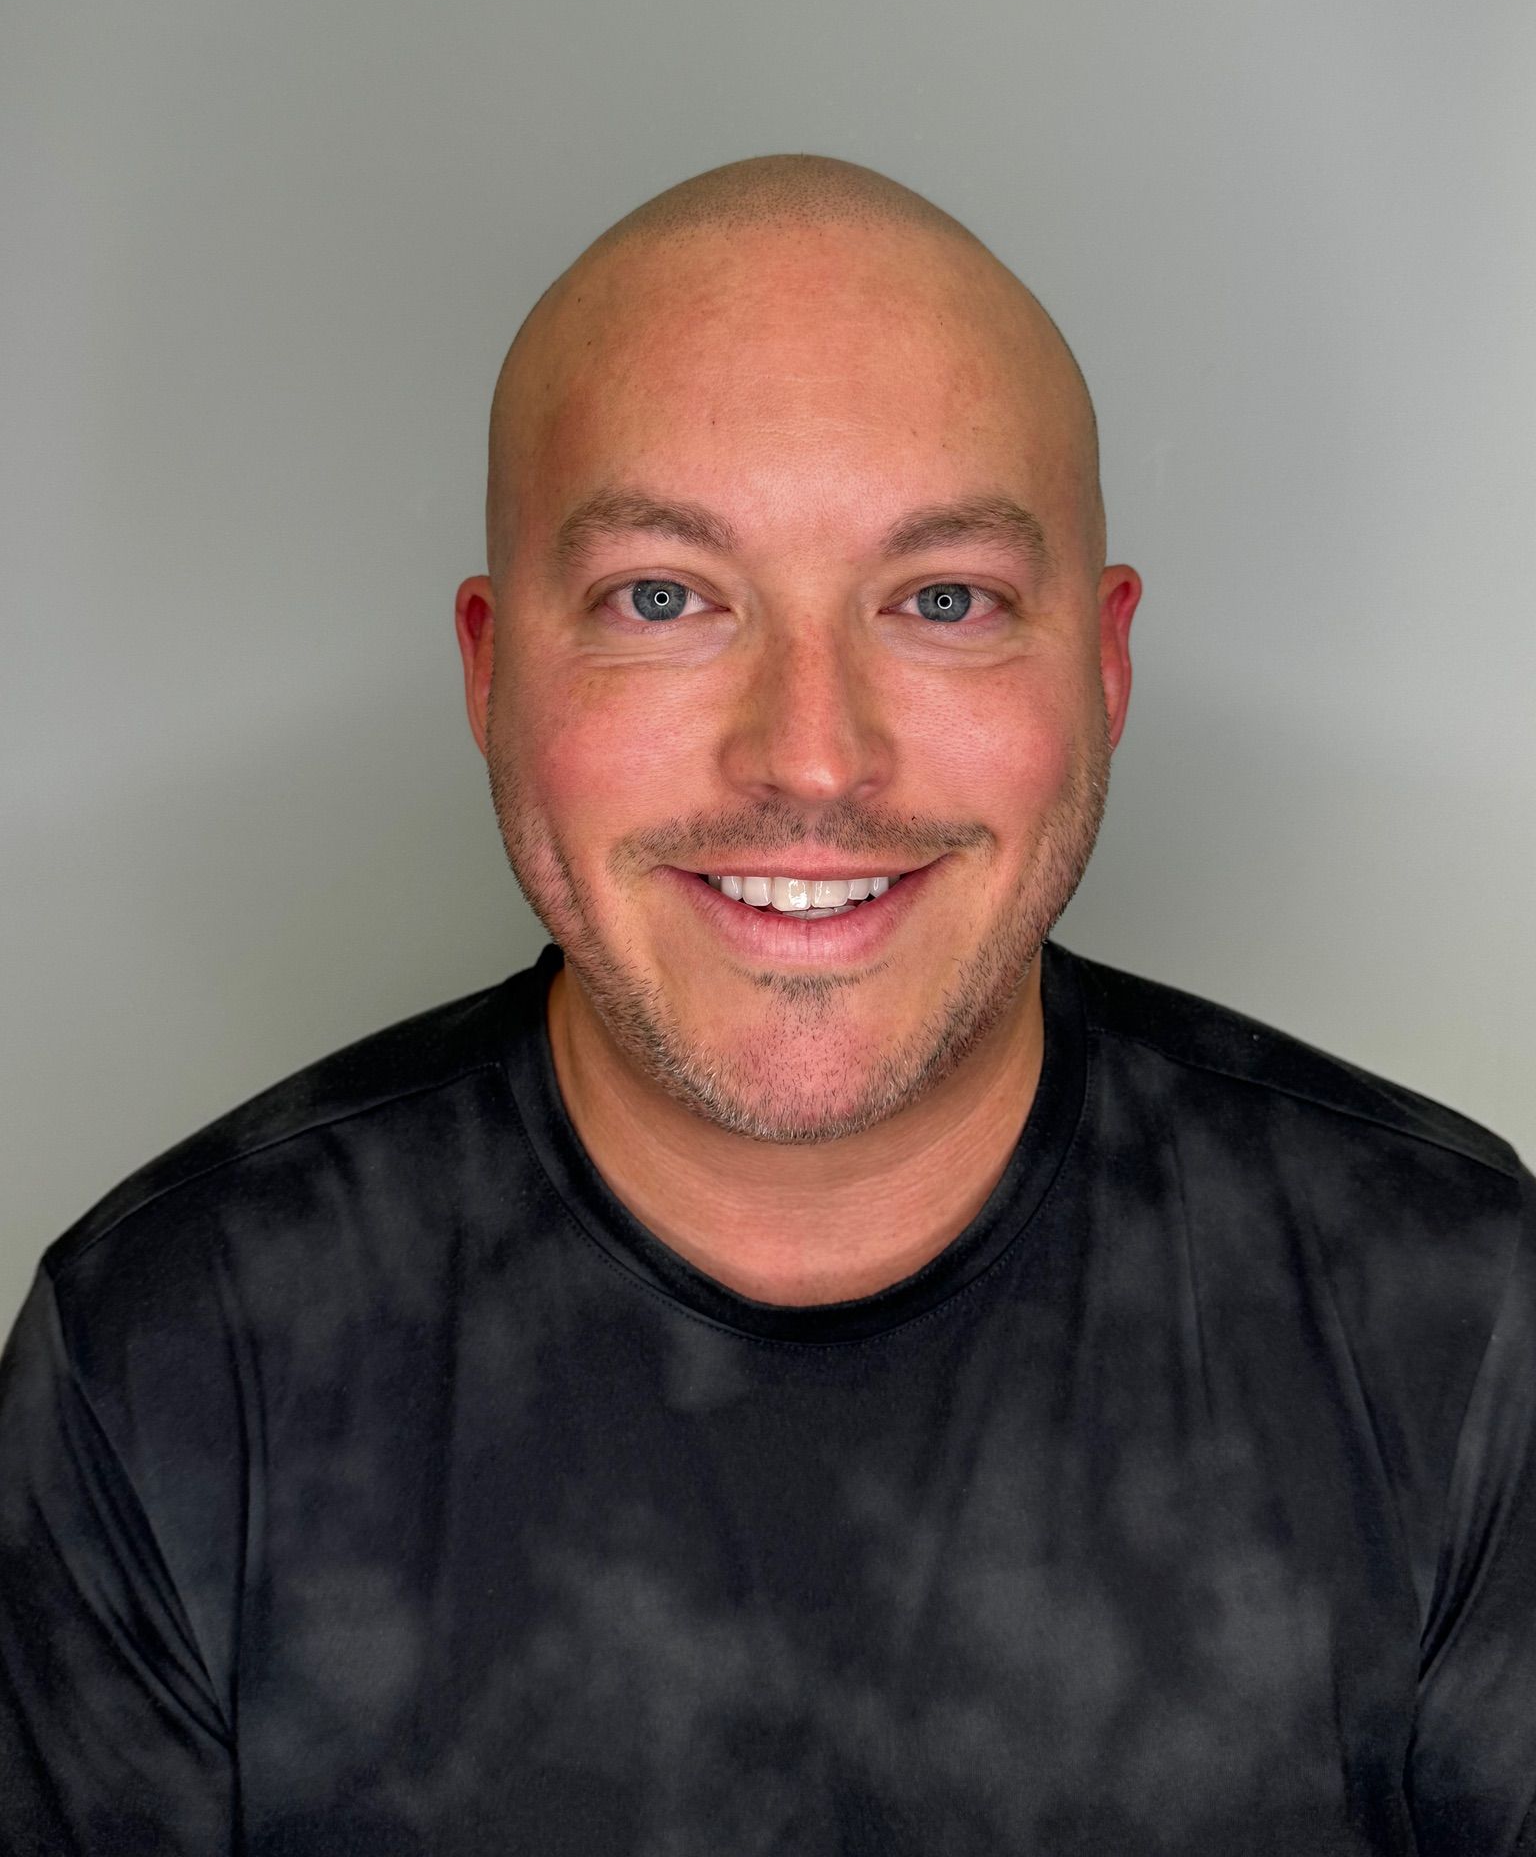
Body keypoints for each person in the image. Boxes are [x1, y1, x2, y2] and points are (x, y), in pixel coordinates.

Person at [0, 154, 1530, 1856]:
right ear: (492, 671)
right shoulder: (169, 1356)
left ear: (1102, 669)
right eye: (664, 599)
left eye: (942, 601)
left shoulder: (1464, 1320)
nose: (811, 756)